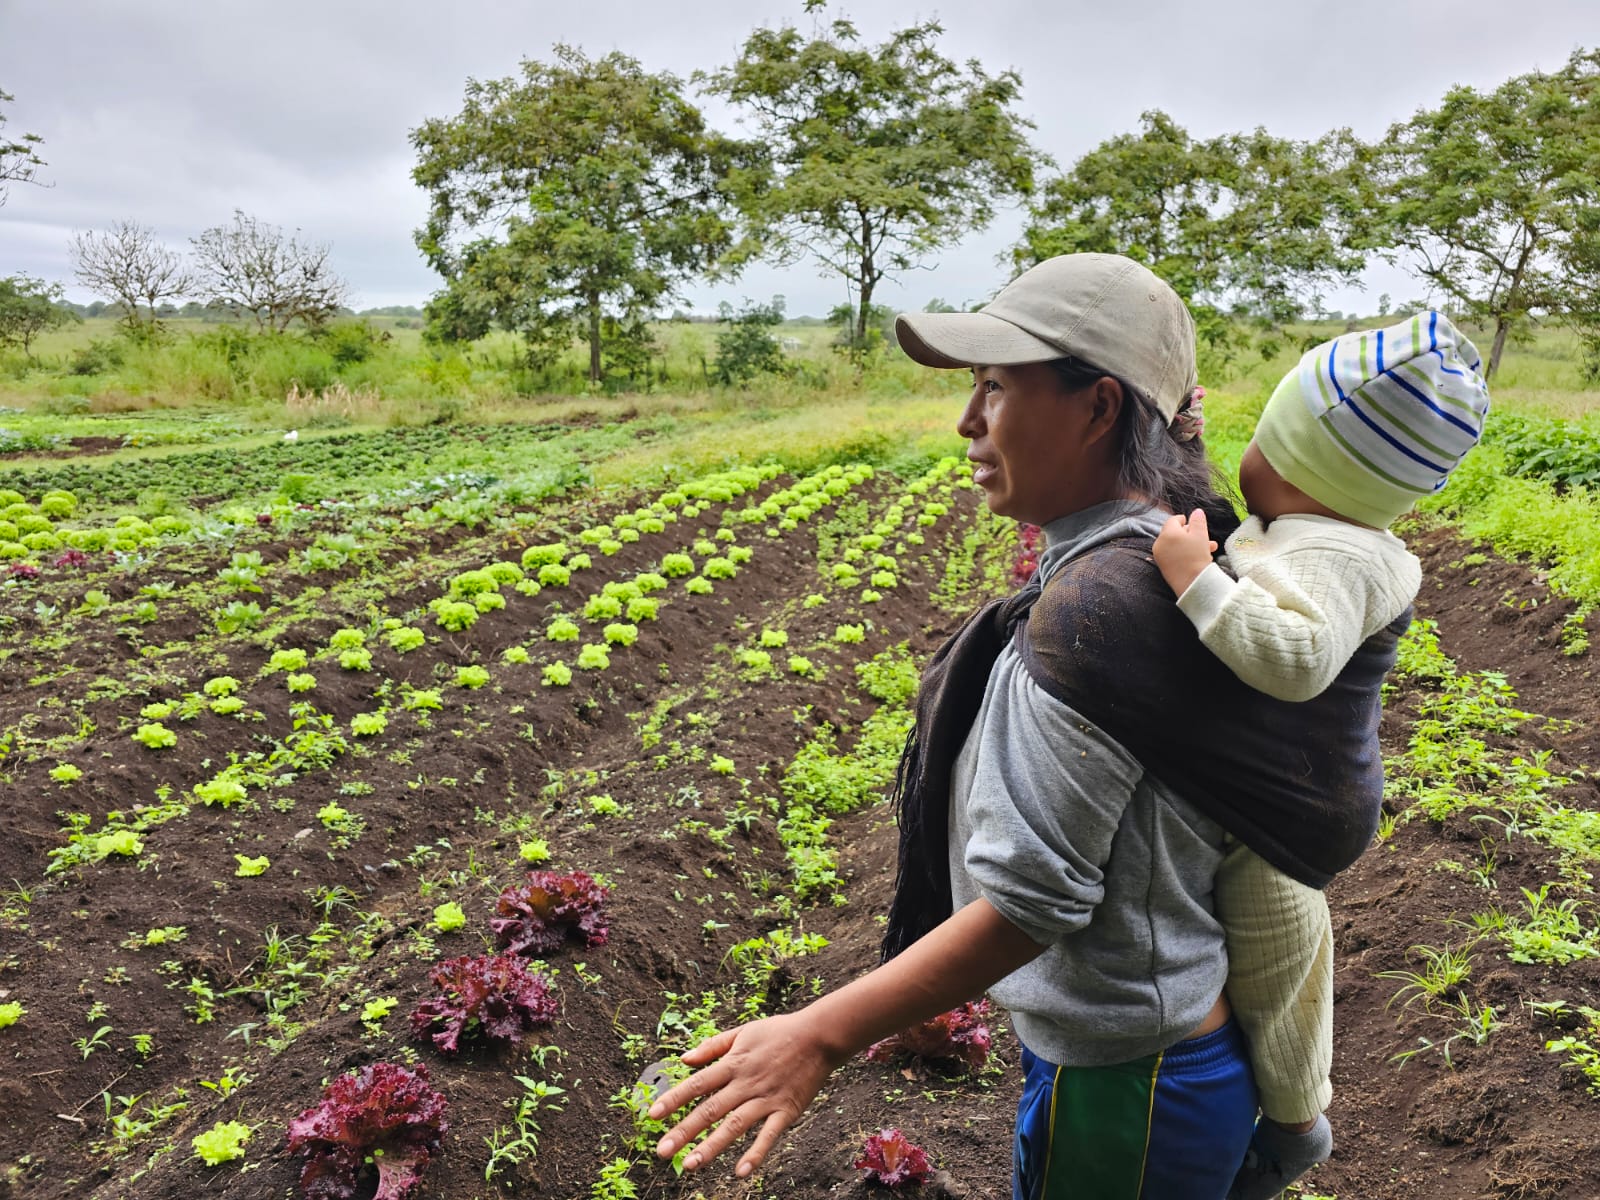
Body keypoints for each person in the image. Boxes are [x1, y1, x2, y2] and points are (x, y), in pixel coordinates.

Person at [649, 253, 1404, 1199]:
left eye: (997, 387)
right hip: (1151, 1055)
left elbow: (1033, 903)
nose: (968, 420)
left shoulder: (1099, 618)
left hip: (1133, 1083)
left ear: (1098, 408)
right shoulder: (1166, 555)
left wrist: (818, 1034)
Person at [1150, 311, 1489, 1198]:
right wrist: (1184, 444)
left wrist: (1195, 579)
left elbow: (1296, 659)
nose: (1249, 450)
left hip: (1294, 811)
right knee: (1275, 963)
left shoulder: (1340, 555)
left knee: (1278, 971)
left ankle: (1296, 1127)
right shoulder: (1311, 525)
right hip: (1288, 784)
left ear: (1310, 467)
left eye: (1265, 434)